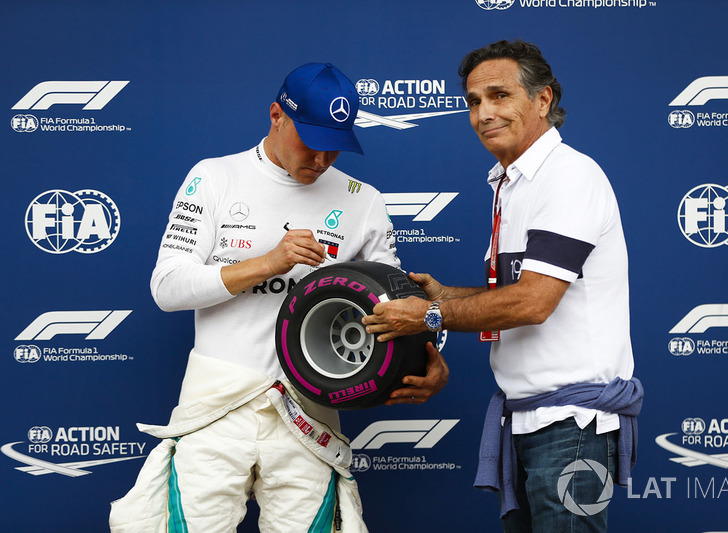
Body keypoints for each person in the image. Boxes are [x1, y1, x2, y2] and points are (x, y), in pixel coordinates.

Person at [109, 62, 448, 533]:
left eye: (335, 147)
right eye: (311, 142)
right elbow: (167, 287)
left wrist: (428, 351)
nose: (322, 159)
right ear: (276, 115)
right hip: (215, 404)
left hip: (310, 411)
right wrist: (268, 263)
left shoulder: (361, 198)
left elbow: (398, 303)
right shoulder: (214, 177)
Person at [362, 41, 642, 532]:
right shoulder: (512, 182)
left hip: (573, 426)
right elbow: (519, 288)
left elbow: (533, 302)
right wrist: (445, 296)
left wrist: (429, 316)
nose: (484, 113)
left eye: (499, 95)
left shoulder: (569, 175)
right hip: (531, 421)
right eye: (473, 101)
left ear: (542, 100)